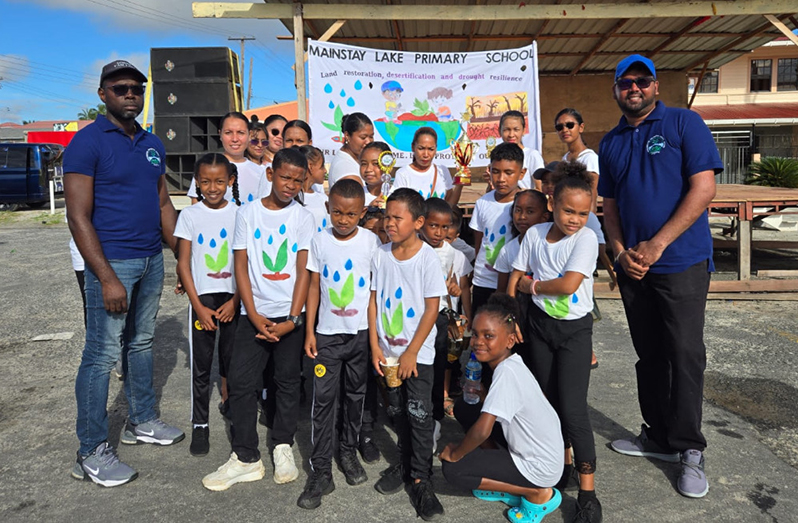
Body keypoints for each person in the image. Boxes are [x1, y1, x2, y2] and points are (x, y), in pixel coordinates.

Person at [599, 54, 722, 499]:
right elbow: (609, 208)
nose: (634, 88)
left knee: (685, 354)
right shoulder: (610, 142)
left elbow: (704, 188)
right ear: (616, 90)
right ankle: (657, 436)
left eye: (642, 81)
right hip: (633, 267)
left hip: (680, 262)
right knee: (648, 355)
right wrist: (618, 252)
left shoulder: (684, 124)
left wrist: (658, 244)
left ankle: (689, 448)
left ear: (655, 87)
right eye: (625, 82)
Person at [65, 60, 184, 487]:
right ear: (103, 94)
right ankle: (91, 449)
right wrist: (107, 277)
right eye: (120, 88)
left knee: (142, 342)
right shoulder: (86, 143)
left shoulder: (152, 143)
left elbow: (164, 205)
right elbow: (77, 217)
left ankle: (142, 421)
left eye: (137, 88)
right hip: (112, 263)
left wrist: (181, 259)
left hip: (151, 257)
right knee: (100, 355)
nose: (131, 93)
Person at [202, 147, 313, 491]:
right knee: (241, 382)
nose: (290, 185)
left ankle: (283, 444)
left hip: (288, 318)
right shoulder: (247, 214)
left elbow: (303, 270)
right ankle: (246, 456)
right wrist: (251, 312)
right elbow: (241, 264)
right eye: (284, 177)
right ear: (270, 175)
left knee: (287, 382)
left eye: (297, 180)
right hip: (254, 315)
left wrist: (293, 319)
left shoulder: (303, 218)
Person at [508, 170, 602, 523]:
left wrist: (531, 287)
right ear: (552, 204)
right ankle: (563, 469)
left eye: (583, 213)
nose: (575, 220)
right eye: (568, 212)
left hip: (574, 331)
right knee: (548, 403)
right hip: (538, 327)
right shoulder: (533, 234)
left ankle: (589, 493)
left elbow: (567, 285)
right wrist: (513, 316)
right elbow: (516, 274)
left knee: (574, 408)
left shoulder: (586, 239)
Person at [440, 294, 564, 523]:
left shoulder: (506, 374)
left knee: (453, 469)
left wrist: (456, 452)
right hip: (537, 454)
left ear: (509, 340)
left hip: (539, 469)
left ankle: (535, 493)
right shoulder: (511, 365)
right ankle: (497, 467)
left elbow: (482, 431)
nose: (478, 341)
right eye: (475, 334)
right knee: (466, 409)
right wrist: (487, 396)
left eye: (489, 336)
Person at [298, 178, 381, 509]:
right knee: (323, 401)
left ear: (362, 212)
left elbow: (374, 293)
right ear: (327, 209)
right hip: (327, 339)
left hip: (360, 336)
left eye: (350, 214)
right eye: (336, 213)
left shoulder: (372, 243)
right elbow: (314, 287)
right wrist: (310, 331)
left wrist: (374, 340)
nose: (343, 220)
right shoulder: (319, 241)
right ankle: (320, 471)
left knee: (355, 397)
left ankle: (347, 451)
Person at [369, 188, 447, 520]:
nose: (389, 223)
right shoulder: (380, 254)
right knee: (397, 410)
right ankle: (404, 462)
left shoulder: (427, 257)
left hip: (417, 356)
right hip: (387, 353)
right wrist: (375, 345)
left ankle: (421, 478)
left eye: (397, 218)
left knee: (419, 414)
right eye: (387, 216)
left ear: (417, 222)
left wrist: (412, 352)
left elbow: (432, 308)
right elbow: (373, 301)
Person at [174, 154, 240, 456]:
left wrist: (237, 299)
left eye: (218, 181)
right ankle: (200, 424)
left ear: (230, 181)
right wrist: (197, 306)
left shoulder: (241, 214)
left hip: (232, 300)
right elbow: (183, 264)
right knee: (201, 367)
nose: (212, 188)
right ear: (196, 183)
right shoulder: (189, 216)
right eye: (205, 182)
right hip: (203, 299)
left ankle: (235, 413)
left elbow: (245, 263)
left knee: (233, 364)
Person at [419, 198, 472, 427]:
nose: (439, 232)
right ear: (421, 223)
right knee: (420, 365)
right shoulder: (414, 248)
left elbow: (457, 286)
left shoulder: (452, 254)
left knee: (440, 363)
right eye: (433, 226)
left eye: (445, 227)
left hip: (440, 317)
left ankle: (435, 417)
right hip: (418, 315)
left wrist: (455, 292)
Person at [494, 190, 549, 367]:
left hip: (545, 313)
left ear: (544, 216)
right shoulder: (508, 251)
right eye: (518, 210)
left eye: (530, 211)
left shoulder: (550, 246)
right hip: (520, 314)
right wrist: (509, 320)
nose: (522, 217)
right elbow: (502, 290)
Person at [469, 142, 524, 316]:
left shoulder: (526, 205)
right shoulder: (482, 202)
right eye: (496, 171)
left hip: (513, 281)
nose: (501, 179)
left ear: (521, 173)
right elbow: (479, 242)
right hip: (483, 280)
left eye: (509, 173)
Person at [188, 112, 268, 206]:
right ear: (220, 134)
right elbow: (196, 206)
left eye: (240, 133)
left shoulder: (260, 172)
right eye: (228, 133)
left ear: (249, 135)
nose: (235, 139)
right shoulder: (206, 168)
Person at [391, 126, 463, 206]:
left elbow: (450, 205)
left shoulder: (442, 171)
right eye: (421, 148)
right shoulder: (403, 174)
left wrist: (459, 186)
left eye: (430, 149)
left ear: (436, 149)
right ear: (413, 147)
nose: (426, 154)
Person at [555, 108, 600, 212]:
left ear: (581, 127)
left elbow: (592, 194)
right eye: (559, 127)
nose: (565, 130)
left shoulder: (590, 158)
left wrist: (590, 220)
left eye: (570, 125)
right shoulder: (565, 158)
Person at [498, 110, 545, 191]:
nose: (511, 135)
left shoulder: (532, 155)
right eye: (507, 129)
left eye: (516, 130)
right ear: (500, 131)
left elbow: (540, 189)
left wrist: (518, 193)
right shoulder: (497, 155)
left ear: (523, 131)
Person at [328, 113, 374, 187]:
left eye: (371, 136)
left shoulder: (359, 159)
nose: (368, 142)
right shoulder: (344, 167)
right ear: (347, 136)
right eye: (363, 137)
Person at [298, 145, 329, 233]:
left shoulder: (324, 199)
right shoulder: (292, 198)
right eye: (322, 166)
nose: (325, 171)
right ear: (310, 167)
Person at [360, 141, 392, 207]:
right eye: (364, 164)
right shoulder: (357, 196)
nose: (368, 169)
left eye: (375, 164)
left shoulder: (399, 196)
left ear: (389, 166)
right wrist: (369, 209)